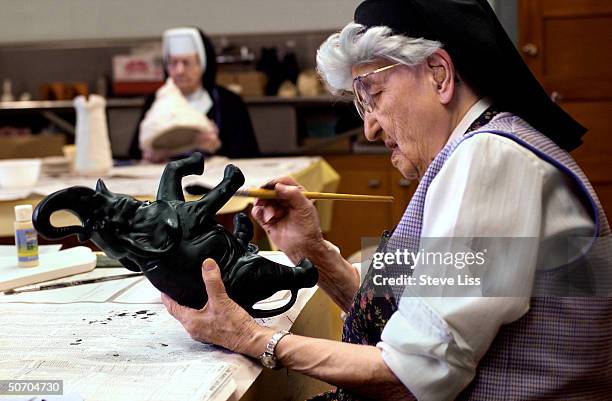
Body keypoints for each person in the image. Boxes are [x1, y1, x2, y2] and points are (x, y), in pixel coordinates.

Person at [161, 1, 612, 400]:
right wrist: (313, 252)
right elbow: (415, 320)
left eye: (372, 96)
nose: (371, 128)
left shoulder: (490, 158)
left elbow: (414, 376)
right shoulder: (481, 148)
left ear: (439, 74)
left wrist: (250, 337)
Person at [129, 27, 260, 162]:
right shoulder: (155, 101)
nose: (179, 71)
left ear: (202, 64)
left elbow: (247, 156)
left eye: (186, 63)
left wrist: (217, 146)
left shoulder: (229, 102)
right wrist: (151, 155)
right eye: (173, 63)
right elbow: (136, 155)